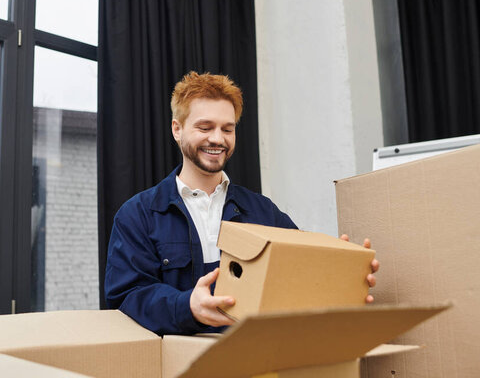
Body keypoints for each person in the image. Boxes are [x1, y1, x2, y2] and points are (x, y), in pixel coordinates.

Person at [104, 71, 379, 335]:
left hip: (256, 359)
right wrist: (187, 306)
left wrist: (342, 277)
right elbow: (127, 295)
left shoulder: (262, 211)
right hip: (180, 364)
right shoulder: (138, 215)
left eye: (227, 128)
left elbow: (300, 274)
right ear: (177, 129)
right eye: (205, 127)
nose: (217, 139)